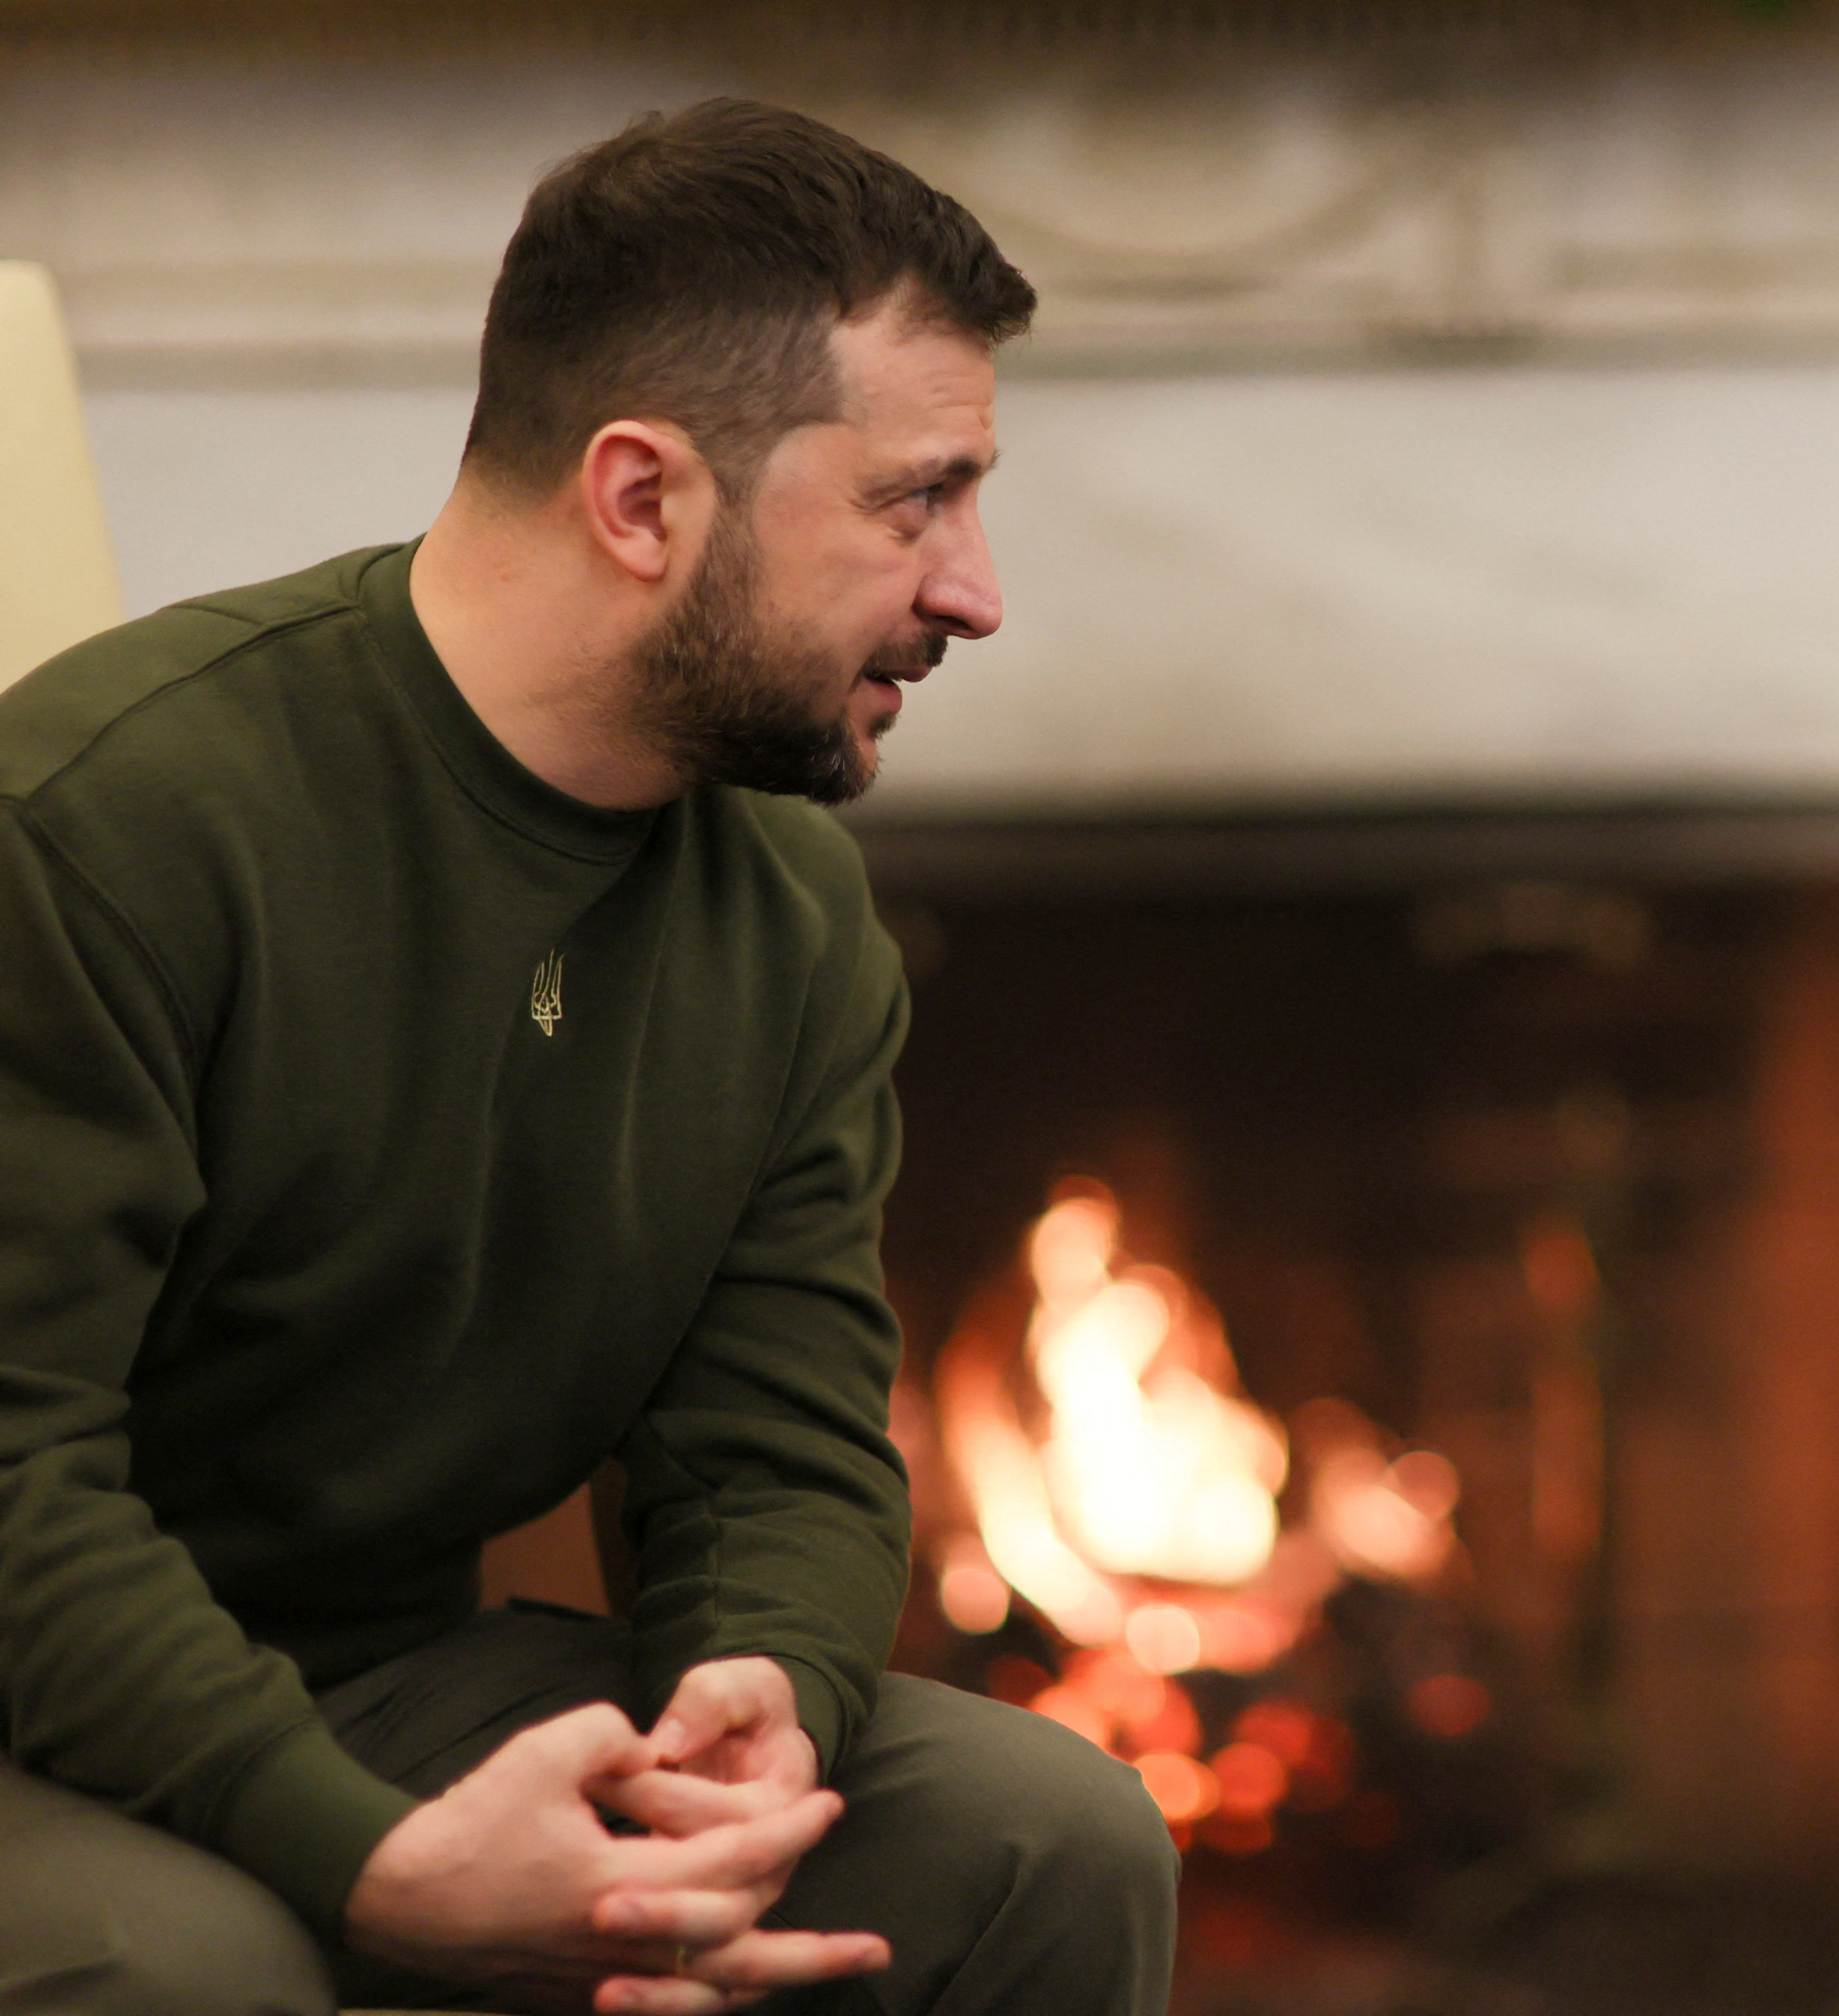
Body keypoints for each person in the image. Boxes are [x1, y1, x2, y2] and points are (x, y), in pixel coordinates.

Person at [0, 100, 1177, 2015]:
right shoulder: (108, 825)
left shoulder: (789, 912)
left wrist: (760, 1708)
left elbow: (776, 1435)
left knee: (1043, 1835)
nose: (974, 587)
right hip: (31, 1705)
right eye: (913, 499)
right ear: (641, 500)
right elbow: (11, 1467)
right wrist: (358, 1854)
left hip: (377, 1678)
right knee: (195, 1970)